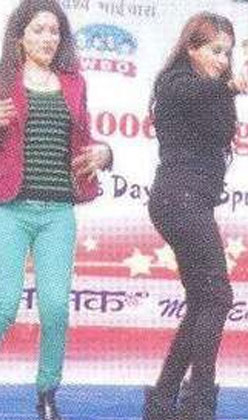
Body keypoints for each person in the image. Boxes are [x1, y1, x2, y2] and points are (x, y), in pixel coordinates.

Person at [0, 0, 112, 418]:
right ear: (19, 37)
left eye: (54, 31)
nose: (48, 38)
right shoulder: (2, 81)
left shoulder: (74, 83)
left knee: (55, 308)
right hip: (10, 208)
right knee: (3, 305)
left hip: (58, 213)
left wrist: (106, 153)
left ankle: (47, 392)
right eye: (38, 30)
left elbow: (87, 141)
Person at [144, 11, 248, 420]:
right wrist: (228, 87)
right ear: (191, 47)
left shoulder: (215, 91)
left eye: (227, 53)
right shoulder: (174, 82)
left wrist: (226, 90)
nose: (222, 59)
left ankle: (163, 401)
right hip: (179, 199)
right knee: (218, 296)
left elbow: (217, 125)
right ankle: (198, 403)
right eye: (214, 50)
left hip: (193, 201)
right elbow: (192, 94)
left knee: (204, 301)